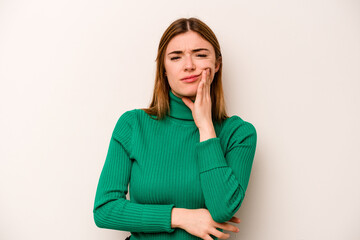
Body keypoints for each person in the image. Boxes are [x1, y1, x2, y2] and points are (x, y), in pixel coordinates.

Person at [93, 17, 257, 240]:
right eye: (176, 57)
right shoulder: (133, 125)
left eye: (200, 55)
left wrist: (206, 126)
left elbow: (222, 209)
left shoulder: (239, 134)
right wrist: (182, 217)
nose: (188, 65)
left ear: (217, 64)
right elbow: (105, 210)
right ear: (164, 68)